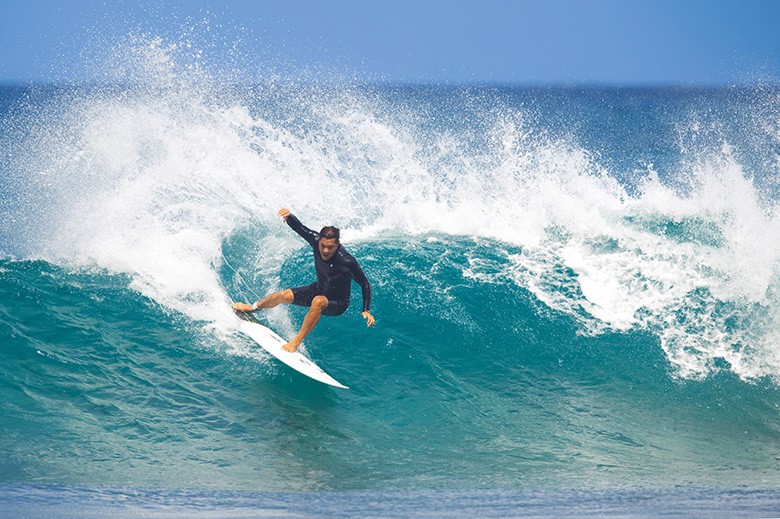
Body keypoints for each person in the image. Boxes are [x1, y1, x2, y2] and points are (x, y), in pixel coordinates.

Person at [233, 208, 375, 352]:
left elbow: (364, 283)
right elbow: (300, 228)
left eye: (330, 247)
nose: (325, 251)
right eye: (323, 246)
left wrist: (366, 310)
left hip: (337, 303)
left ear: (337, 244)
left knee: (318, 301)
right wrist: (289, 217)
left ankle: (296, 342)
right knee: (281, 295)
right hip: (318, 289)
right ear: (319, 240)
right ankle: (252, 308)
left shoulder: (347, 261)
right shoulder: (315, 240)